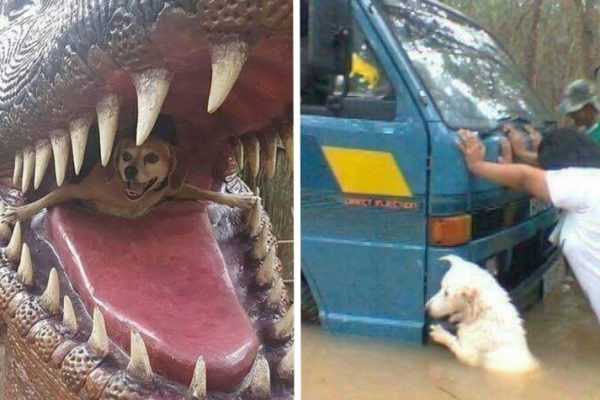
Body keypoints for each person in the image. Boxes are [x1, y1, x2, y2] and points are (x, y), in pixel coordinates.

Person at [456, 127, 600, 322]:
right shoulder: (589, 181)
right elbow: (539, 178)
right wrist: (516, 159)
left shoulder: (584, 182)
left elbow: (525, 178)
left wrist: (477, 165)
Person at [557, 79, 600, 144]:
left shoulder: (595, 138)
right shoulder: (582, 135)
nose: (571, 115)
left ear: (590, 107)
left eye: (576, 111)